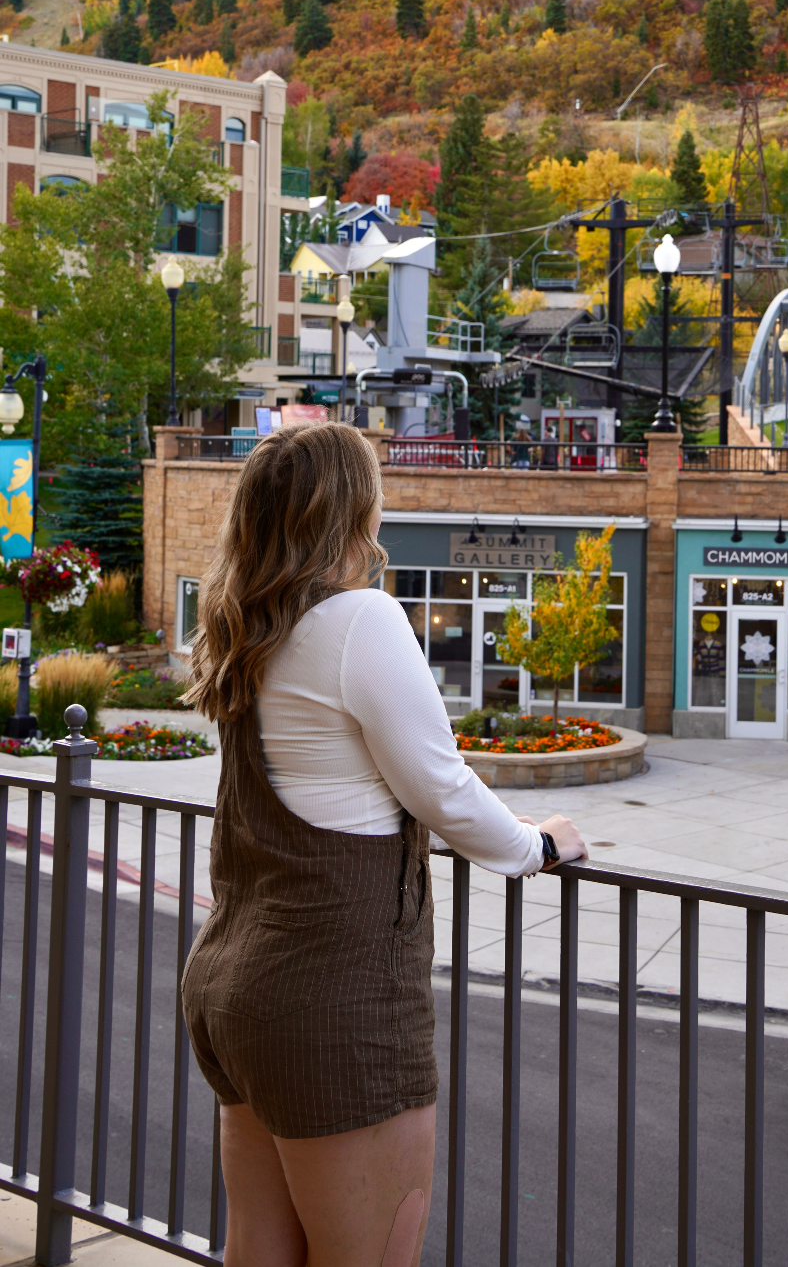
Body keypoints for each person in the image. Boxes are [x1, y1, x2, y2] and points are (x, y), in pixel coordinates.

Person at [181, 422, 587, 1267]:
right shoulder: (360, 620)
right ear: (349, 513)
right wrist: (536, 846)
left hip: (235, 985)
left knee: (259, 1246)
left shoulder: (250, 628)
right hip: (333, 1004)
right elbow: (441, 788)